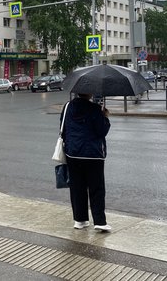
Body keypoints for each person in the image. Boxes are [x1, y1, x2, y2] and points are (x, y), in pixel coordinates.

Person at [60, 93, 112, 232]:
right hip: (93, 155)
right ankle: (99, 221)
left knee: (77, 187)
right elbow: (102, 131)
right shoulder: (95, 109)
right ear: (89, 93)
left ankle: (80, 220)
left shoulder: (67, 107)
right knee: (96, 188)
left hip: (73, 153)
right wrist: (105, 117)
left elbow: (63, 129)